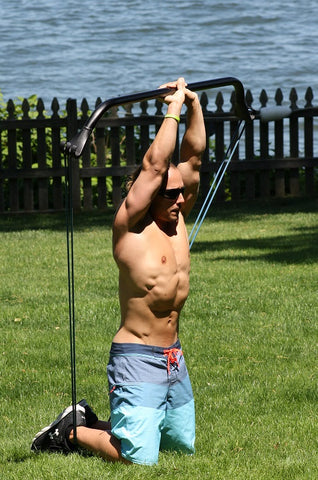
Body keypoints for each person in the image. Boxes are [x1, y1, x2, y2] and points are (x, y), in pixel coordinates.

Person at [31, 77, 206, 465]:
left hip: (173, 358)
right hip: (137, 356)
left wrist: (194, 104)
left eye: (180, 192)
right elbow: (154, 164)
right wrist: (171, 107)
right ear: (147, 195)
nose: (180, 199)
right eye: (170, 193)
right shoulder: (129, 230)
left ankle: (103, 421)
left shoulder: (176, 220)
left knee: (179, 450)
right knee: (138, 459)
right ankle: (70, 430)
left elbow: (191, 159)